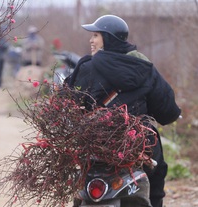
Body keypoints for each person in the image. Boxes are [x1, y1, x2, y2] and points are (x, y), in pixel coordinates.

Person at [64, 14, 181, 207]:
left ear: (108, 38)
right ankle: (155, 202)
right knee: (157, 171)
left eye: (95, 35)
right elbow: (166, 108)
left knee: (82, 176)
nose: (91, 40)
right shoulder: (142, 66)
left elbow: (67, 102)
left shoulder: (87, 67)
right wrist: (173, 113)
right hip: (137, 140)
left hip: (95, 139)